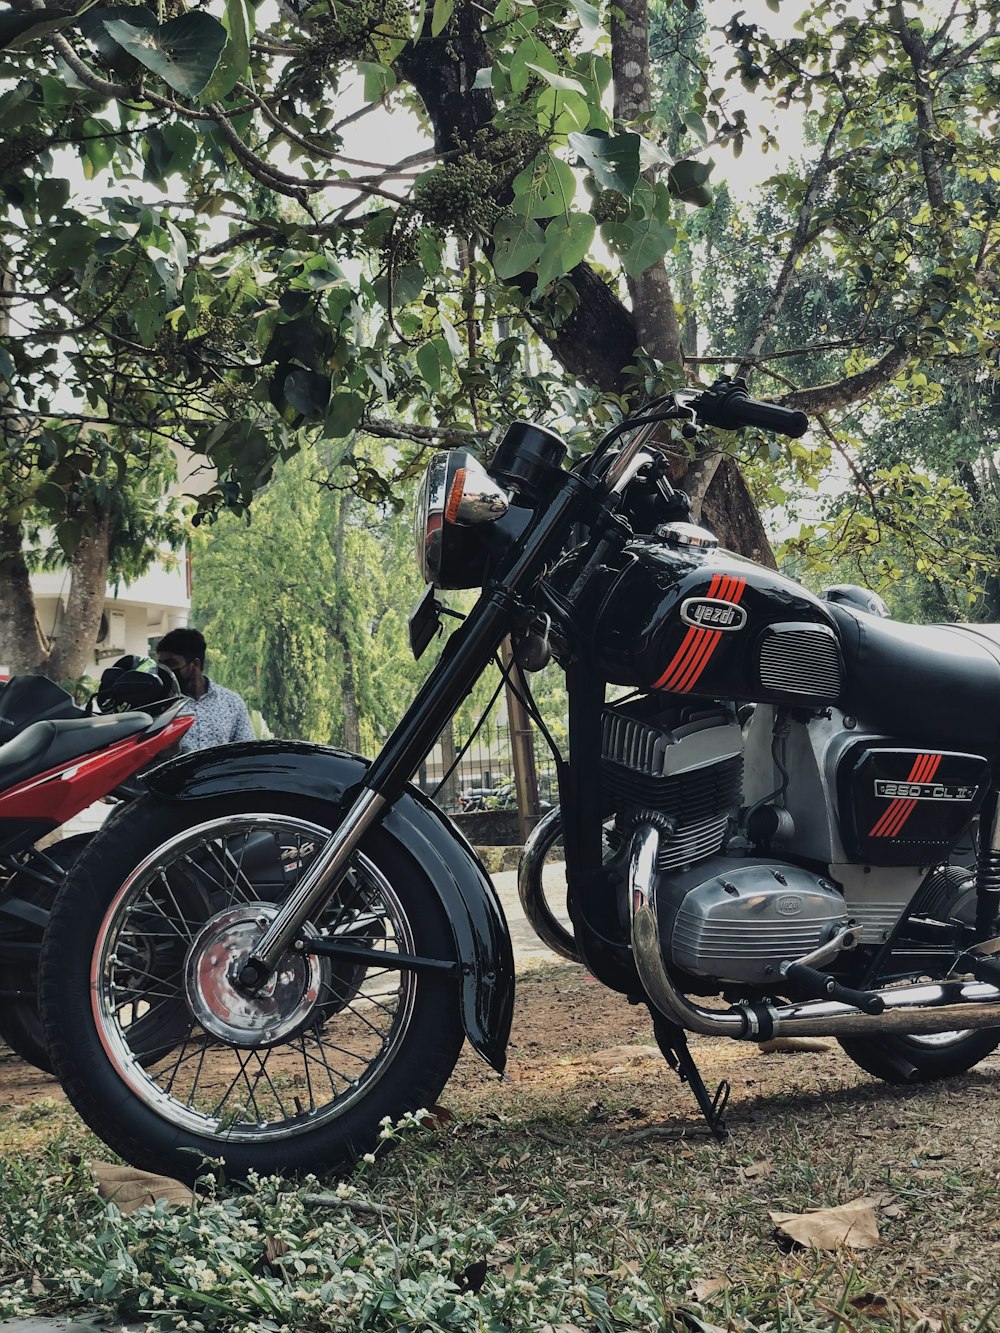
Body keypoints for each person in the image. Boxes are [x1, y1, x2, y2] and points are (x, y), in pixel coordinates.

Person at [155, 627, 255, 753]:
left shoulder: (232, 703)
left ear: (195, 664)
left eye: (171, 663)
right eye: (161, 664)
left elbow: (246, 753)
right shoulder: (159, 706)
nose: (165, 670)